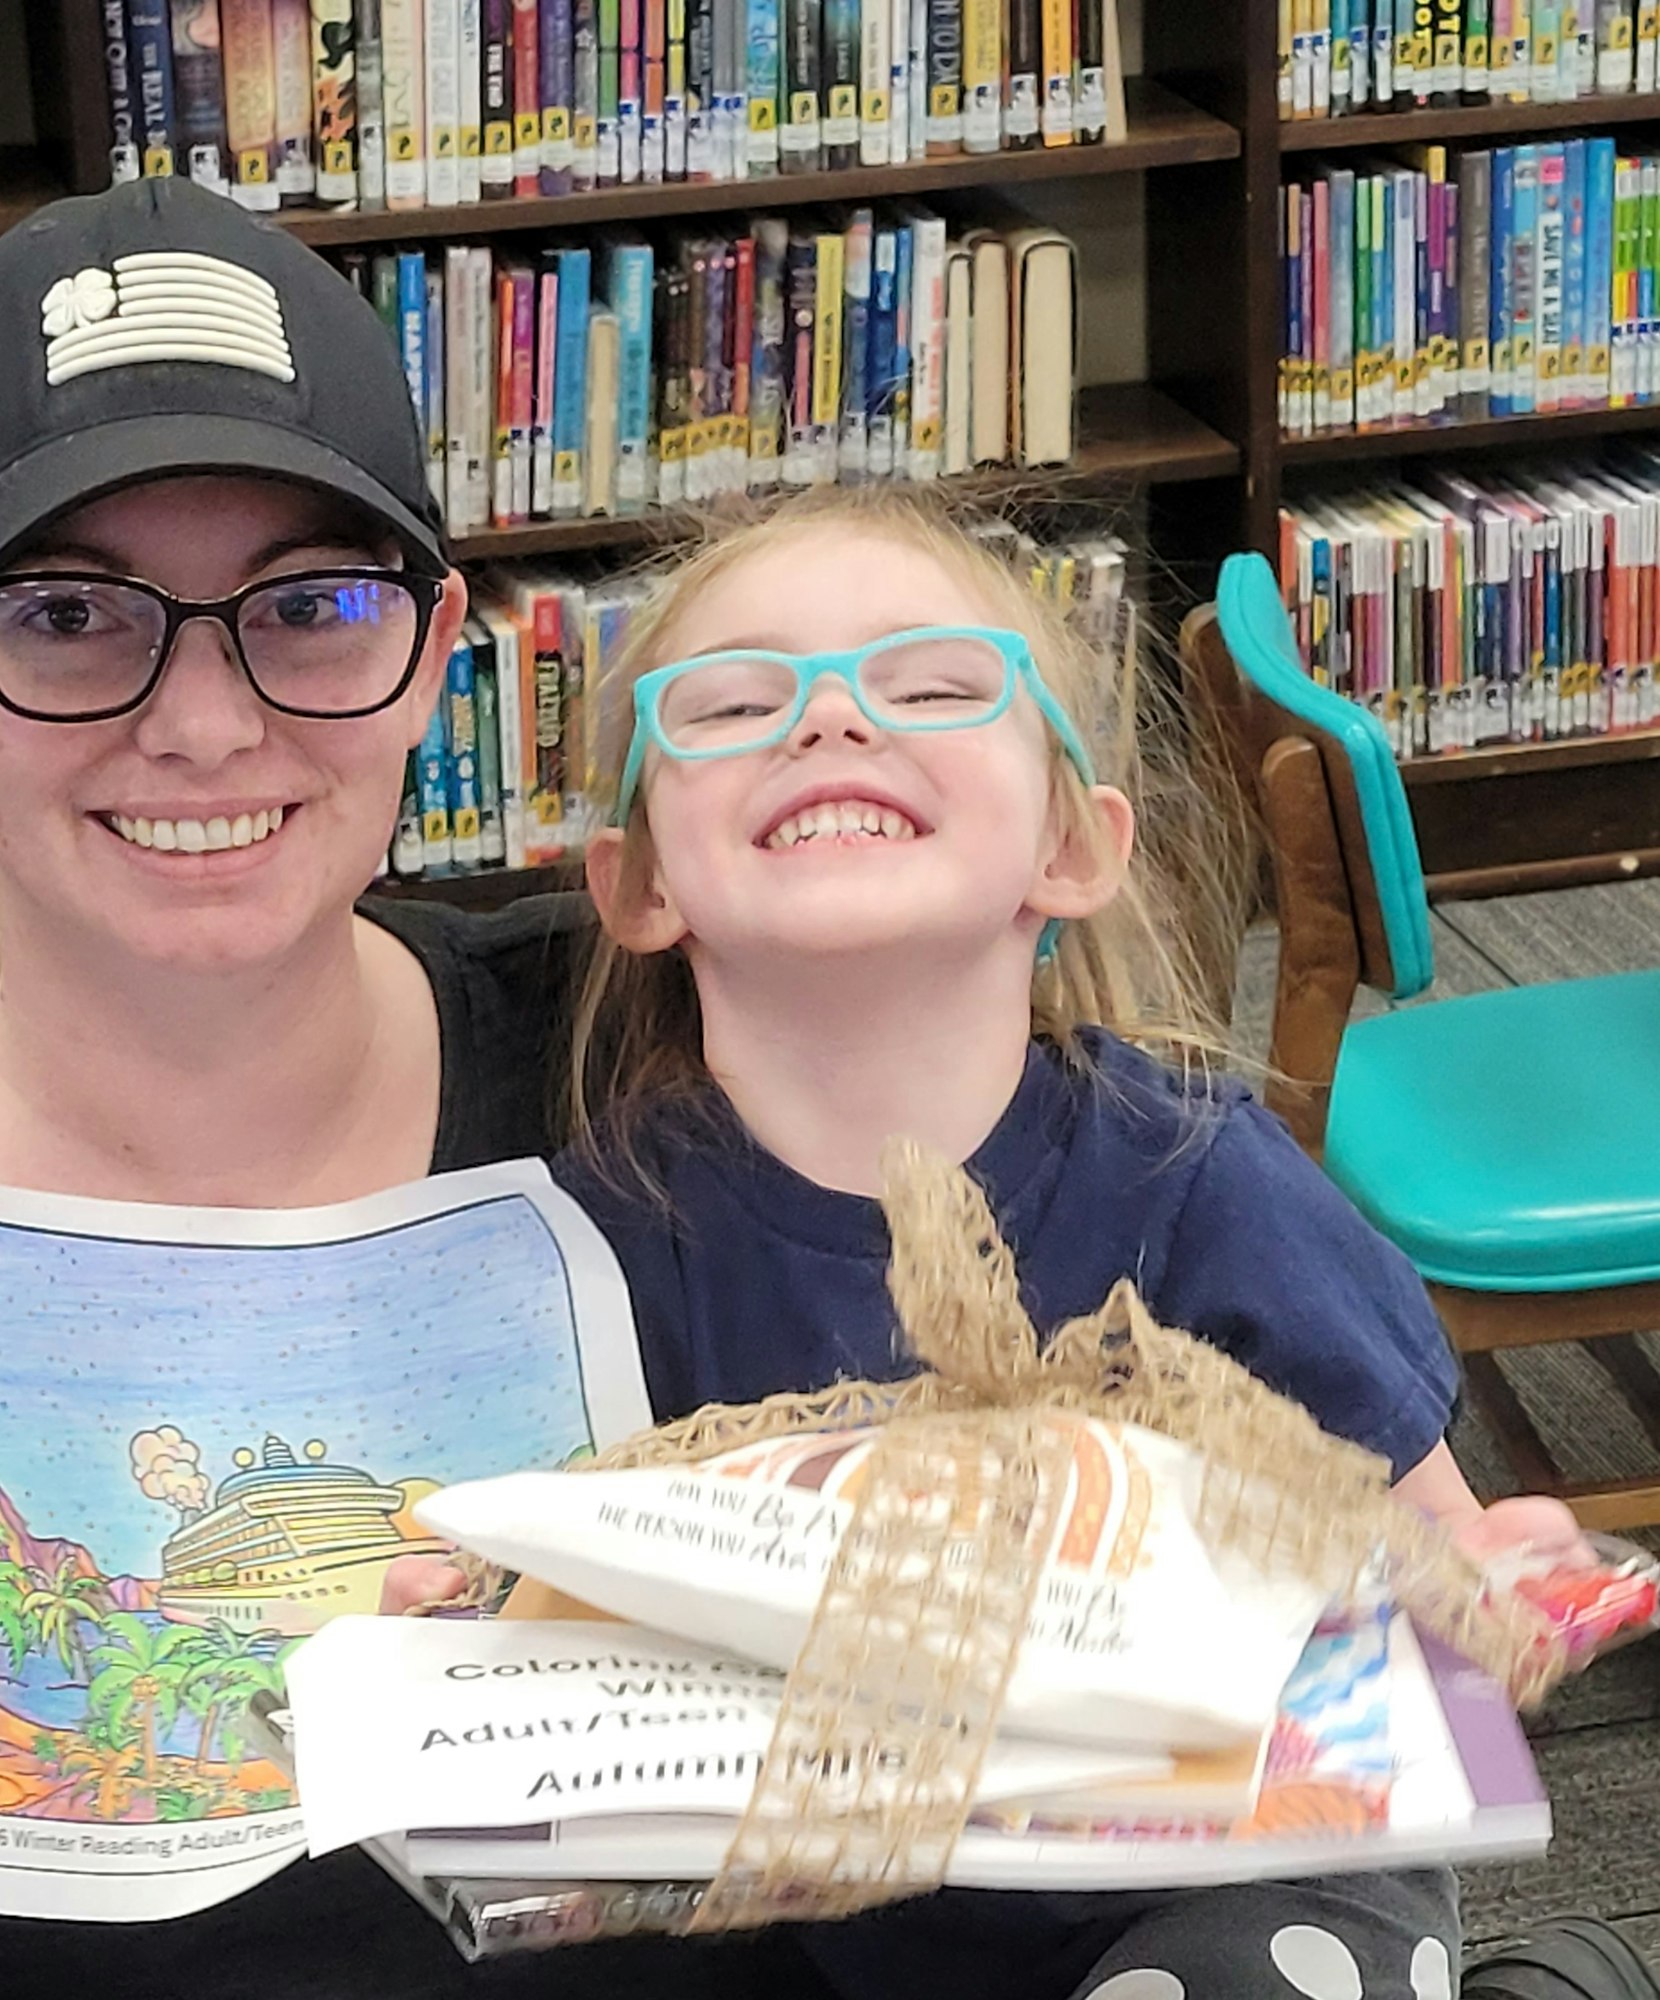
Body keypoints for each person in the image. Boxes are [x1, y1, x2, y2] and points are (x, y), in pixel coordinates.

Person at [0, 178, 813, 2000]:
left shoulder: (691, 1067)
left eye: (308, 606)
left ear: (434, 649)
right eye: (69, 614)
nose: (205, 724)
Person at [543, 484, 1586, 2000]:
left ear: (1074, 845)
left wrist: (1490, 1592)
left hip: (1232, 1858)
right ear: (637, 880)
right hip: (818, 1902)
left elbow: (1438, 1556)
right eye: (735, 700)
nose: (830, 722)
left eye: (932, 685)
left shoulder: (1200, 1181)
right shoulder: (603, 1227)